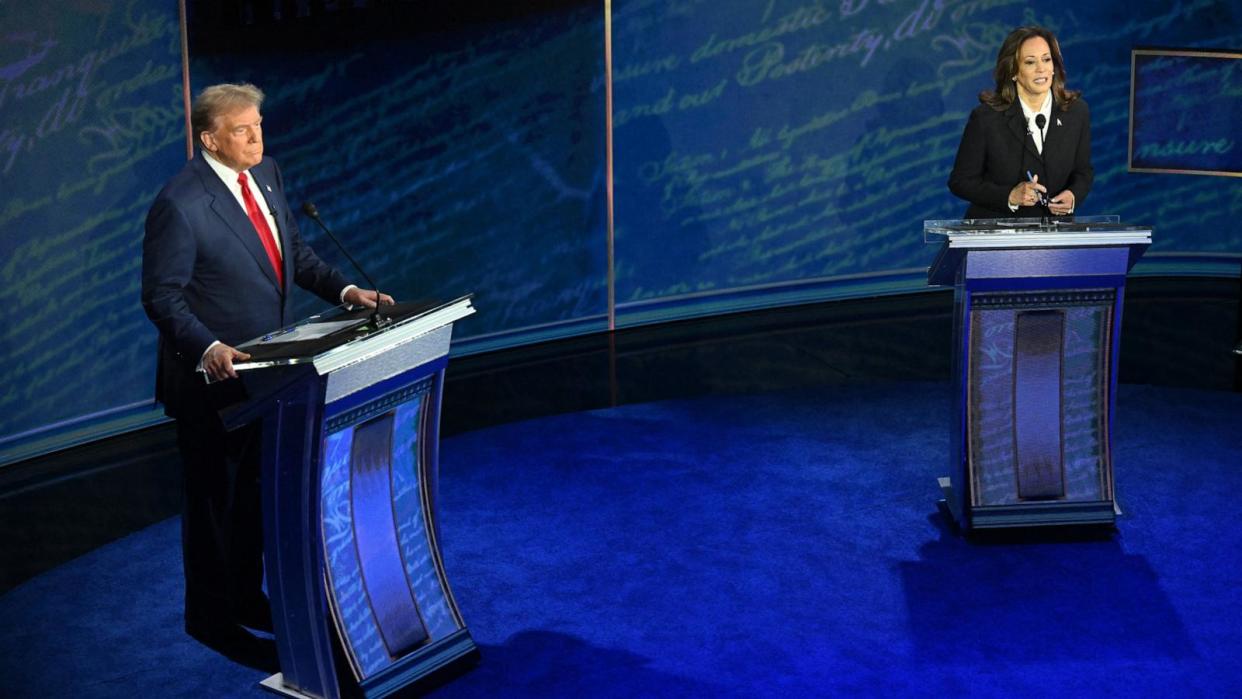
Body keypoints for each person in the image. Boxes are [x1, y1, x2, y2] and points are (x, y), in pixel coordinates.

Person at [141, 83, 392, 665]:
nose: (256, 138)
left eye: (258, 126)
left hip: (272, 378)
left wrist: (348, 290)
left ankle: (246, 598)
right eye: (242, 130)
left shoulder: (268, 173)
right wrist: (208, 346)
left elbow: (295, 256)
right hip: (213, 383)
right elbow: (163, 296)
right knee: (214, 506)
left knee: (255, 497)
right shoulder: (179, 204)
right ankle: (210, 619)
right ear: (210, 139)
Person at [948, 25, 1093, 219]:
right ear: (1014, 72)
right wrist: (1009, 196)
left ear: (1054, 67)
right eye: (1030, 62)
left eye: (1046, 60)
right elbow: (960, 181)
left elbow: (1083, 172)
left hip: (1055, 236)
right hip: (996, 235)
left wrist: (1073, 196)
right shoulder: (986, 119)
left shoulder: (1076, 112)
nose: (1041, 69)